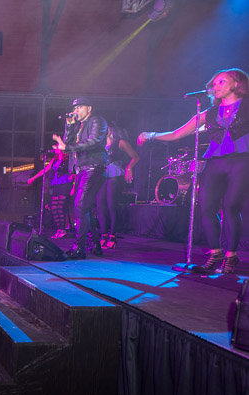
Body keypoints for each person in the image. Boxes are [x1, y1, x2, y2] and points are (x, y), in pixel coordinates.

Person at [138, 68, 249, 274]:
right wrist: (151, 135)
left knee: (231, 207)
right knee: (206, 207)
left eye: (222, 81)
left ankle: (231, 255)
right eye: (214, 83)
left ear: (236, 84)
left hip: (241, 160)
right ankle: (215, 252)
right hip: (214, 161)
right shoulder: (208, 113)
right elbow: (177, 133)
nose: (216, 86)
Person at [52, 97, 109, 259]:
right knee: (84, 208)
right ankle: (95, 245)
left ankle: (79, 248)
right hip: (82, 169)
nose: (75, 111)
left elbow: (94, 141)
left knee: (80, 206)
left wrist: (68, 146)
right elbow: (67, 143)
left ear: (89, 108)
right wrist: (69, 125)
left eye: (79, 107)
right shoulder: (78, 125)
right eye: (74, 108)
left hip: (94, 167)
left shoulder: (97, 121)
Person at [96, 123, 140, 249]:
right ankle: (103, 234)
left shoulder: (120, 142)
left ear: (111, 130)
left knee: (111, 205)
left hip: (114, 174)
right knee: (100, 206)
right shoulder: (100, 144)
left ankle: (112, 236)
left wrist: (129, 168)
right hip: (101, 174)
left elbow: (135, 157)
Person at [27, 149, 75, 239]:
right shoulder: (54, 160)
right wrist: (33, 178)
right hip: (56, 184)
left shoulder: (69, 159)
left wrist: (74, 186)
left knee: (60, 207)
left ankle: (62, 230)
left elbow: (74, 172)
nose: (55, 148)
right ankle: (59, 229)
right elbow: (45, 170)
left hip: (65, 183)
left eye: (57, 146)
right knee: (54, 207)